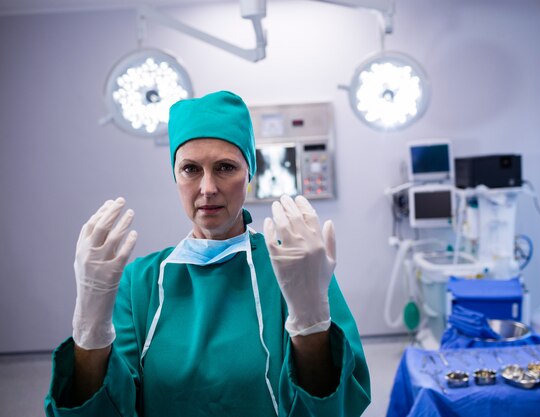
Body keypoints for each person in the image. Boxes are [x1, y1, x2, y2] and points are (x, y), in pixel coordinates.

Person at [44, 91, 371, 417]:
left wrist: (311, 325)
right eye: (190, 169)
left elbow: (338, 409)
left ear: (249, 174)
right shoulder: (140, 282)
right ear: (175, 175)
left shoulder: (296, 268)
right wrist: (89, 328)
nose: (208, 188)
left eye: (225, 167)